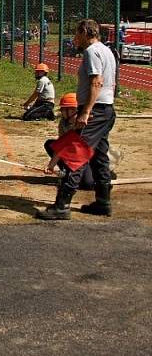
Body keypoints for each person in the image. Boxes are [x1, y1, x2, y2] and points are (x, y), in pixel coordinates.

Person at [37, 19, 117, 220]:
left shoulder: (91, 51)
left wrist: (86, 111)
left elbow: (96, 82)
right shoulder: (107, 51)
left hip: (95, 111)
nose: (75, 38)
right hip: (106, 110)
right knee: (100, 157)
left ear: (84, 32)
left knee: (75, 154)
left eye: (76, 33)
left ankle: (62, 205)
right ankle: (103, 202)